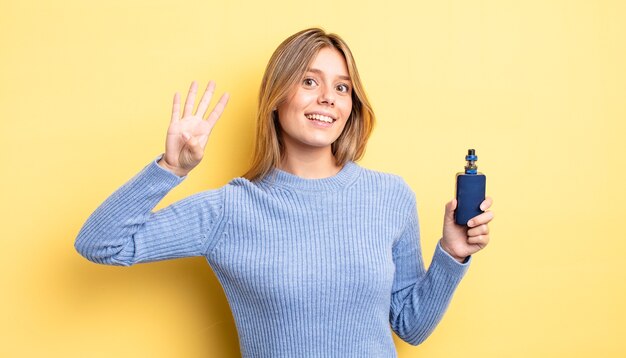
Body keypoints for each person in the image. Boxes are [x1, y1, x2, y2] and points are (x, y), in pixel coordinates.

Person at [75, 28, 494, 357]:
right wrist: (170, 169)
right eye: (309, 81)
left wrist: (452, 254)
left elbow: (410, 326)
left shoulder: (390, 196)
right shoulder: (230, 208)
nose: (328, 98)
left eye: (342, 88)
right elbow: (100, 243)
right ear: (277, 97)